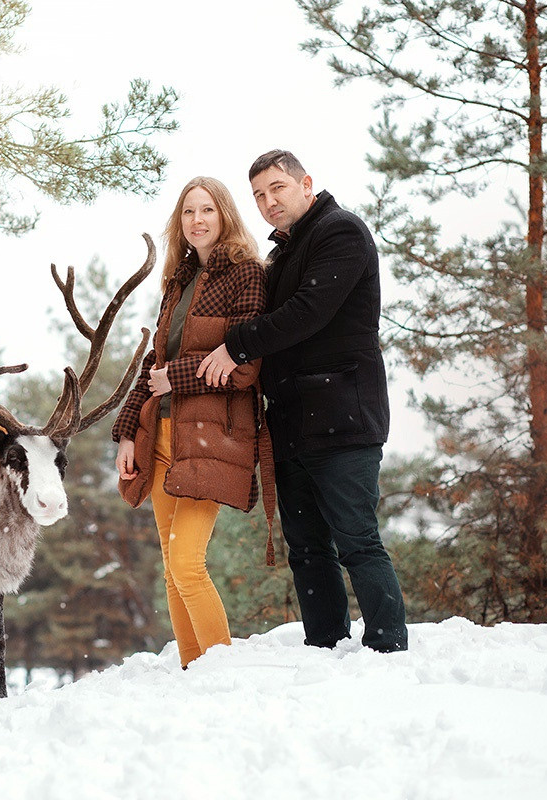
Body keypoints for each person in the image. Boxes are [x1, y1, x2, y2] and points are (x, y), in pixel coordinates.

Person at [200, 149, 409, 652]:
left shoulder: (340, 231)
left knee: (357, 540)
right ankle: (325, 646)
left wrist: (237, 345)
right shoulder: (281, 255)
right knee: (307, 549)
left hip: (343, 416)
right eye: (258, 196)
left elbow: (309, 310)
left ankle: (388, 648)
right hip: (291, 423)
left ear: (306, 183)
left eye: (278, 189)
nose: (268, 202)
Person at [112, 176, 276, 670]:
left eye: (207, 210)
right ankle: (191, 670)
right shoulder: (177, 281)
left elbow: (246, 366)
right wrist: (124, 432)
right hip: (161, 436)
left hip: (212, 438)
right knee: (170, 563)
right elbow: (153, 365)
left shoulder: (247, 275)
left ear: (224, 215)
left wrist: (175, 379)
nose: (197, 220)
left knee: (187, 562)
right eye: (188, 212)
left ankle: (219, 672)